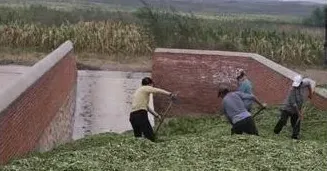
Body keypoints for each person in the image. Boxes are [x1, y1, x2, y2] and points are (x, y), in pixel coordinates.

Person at [130, 77, 177, 142]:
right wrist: (170, 94)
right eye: (152, 85)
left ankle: (140, 149)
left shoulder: (139, 91)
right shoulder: (145, 88)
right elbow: (157, 90)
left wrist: (157, 115)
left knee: (138, 137)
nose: (152, 87)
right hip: (140, 114)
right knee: (150, 136)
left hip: (132, 116)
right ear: (150, 84)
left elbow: (147, 107)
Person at [273, 75, 313, 140]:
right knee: (283, 120)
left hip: (298, 107)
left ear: (301, 83)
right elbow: (294, 104)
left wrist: (310, 93)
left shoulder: (304, 82)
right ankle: (276, 131)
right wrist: (299, 113)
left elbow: (309, 83)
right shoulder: (292, 90)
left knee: (296, 123)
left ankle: (295, 136)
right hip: (288, 107)